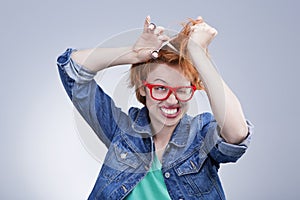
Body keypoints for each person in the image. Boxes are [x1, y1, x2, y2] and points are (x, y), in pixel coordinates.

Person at [57, 16, 253, 200]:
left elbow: (236, 134)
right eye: (160, 88)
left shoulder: (201, 134)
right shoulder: (122, 132)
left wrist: (197, 53)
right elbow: (72, 70)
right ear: (143, 89)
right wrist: (133, 54)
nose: (171, 100)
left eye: (182, 89)